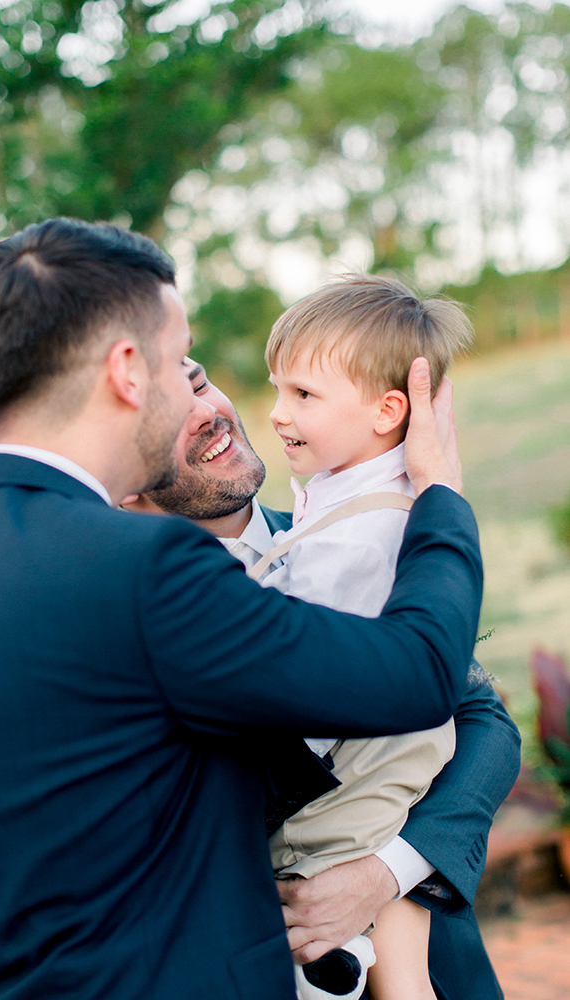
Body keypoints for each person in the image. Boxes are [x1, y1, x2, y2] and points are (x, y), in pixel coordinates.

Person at [0, 218, 483, 1000]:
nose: (194, 392)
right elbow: (416, 674)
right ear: (127, 371)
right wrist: (437, 492)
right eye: (180, 362)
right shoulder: (144, 568)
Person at [130, 357, 520, 1000]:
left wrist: (385, 873)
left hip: (436, 973)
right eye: (164, 414)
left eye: (198, 382)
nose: (204, 414)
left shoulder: (356, 535)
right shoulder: (132, 624)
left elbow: (483, 723)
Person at [258, 275, 473, 1000]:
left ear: (388, 411)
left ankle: (335, 968)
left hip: (344, 770)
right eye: (276, 389)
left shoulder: (362, 535)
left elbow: (314, 690)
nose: (277, 413)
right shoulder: (339, 483)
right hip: (375, 753)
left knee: (309, 886)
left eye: (303, 396)